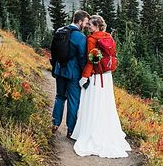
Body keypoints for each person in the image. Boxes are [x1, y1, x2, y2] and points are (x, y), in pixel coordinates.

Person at [72, 15, 131, 158]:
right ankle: (106, 132)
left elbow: (90, 60)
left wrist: (84, 76)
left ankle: (92, 132)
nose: (88, 28)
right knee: (105, 105)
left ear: (96, 26)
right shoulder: (109, 38)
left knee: (93, 104)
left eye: (90, 26)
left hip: (96, 77)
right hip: (107, 76)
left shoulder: (92, 39)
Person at [51, 10, 90, 140]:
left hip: (59, 69)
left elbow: (54, 51)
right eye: (85, 22)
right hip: (73, 73)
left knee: (60, 97)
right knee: (73, 101)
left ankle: (55, 123)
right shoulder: (80, 37)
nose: (86, 25)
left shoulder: (60, 31)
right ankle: (70, 130)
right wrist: (86, 75)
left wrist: (54, 67)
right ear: (79, 22)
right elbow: (82, 57)